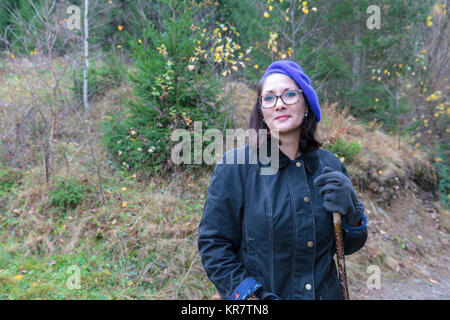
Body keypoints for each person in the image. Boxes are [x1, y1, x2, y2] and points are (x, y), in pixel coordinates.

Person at [197, 60, 367, 300]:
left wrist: (352, 212)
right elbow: (213, 245)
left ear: (306, 104)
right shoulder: (236, 167)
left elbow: (348, 246)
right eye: (269, 98)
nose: (279, 104)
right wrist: (250, 297)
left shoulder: (330, 167)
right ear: (261, 112)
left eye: (289, 94)